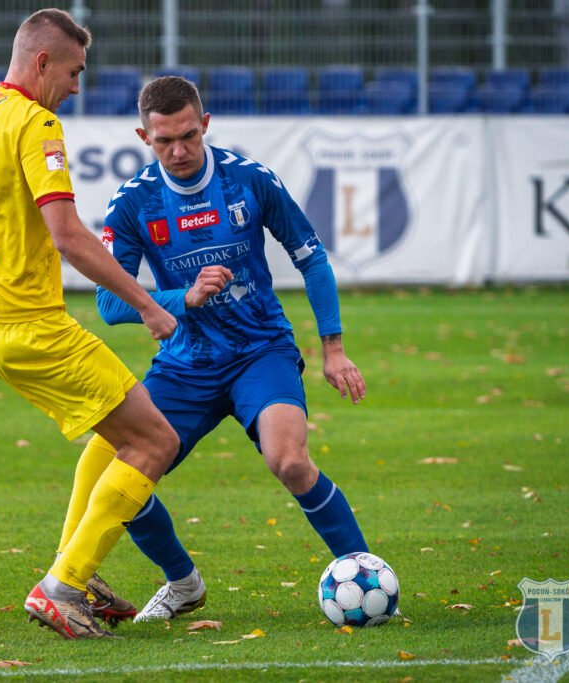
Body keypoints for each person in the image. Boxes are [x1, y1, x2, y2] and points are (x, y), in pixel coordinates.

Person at [0, 9, 181, 639]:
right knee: (155, 442)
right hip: (32, 325)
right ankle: (62, 586)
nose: (77, 87)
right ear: (43, 61)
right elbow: (69, 237)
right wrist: (148, 305)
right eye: (74, 72)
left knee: (117, 433)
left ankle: (78, 573)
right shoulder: (36, 123)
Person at [55, 75, 371, 623]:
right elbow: (109, 304)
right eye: (164, 141)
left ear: (204, 125)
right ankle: (183, 583)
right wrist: (183, 297)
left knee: (289, 461)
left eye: (188, 137)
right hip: (186, 363)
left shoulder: (249, 180)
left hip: (260, 351)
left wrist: (334, 347)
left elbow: (311, 258)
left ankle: (364, 573)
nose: (178, 151)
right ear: (144, 137)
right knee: (122, 481)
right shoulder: (133, 203)